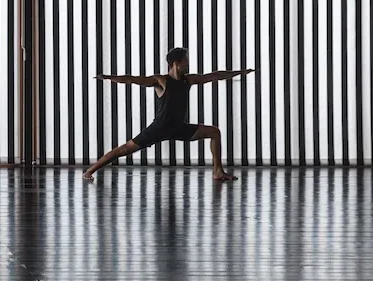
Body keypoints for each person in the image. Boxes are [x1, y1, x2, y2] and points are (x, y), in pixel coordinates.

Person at [83, 47, 251, 182]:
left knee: (214, 131)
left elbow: (215, 76)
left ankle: (218, 171)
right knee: (124, 150)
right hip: (159, 128)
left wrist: (240, 72)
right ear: (176, 63)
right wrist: (108, 77)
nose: (188, 64)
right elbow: (132, 79)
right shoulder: (161, 81)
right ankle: (89, 171)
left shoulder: (188, 80)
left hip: (179, 127)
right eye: (186, 61)